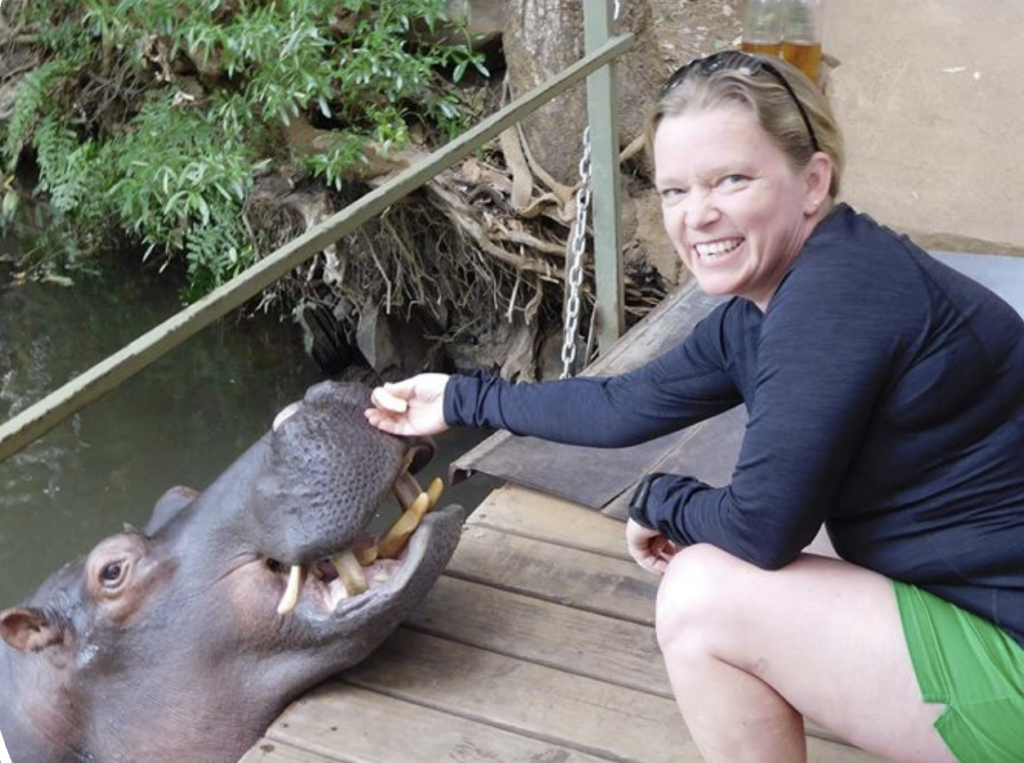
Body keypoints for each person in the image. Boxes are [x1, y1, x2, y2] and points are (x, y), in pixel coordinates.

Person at [364, 51, 1024, 763]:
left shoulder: (833, 301)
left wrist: (664, 500)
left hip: (1010, 657)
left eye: (730, 180)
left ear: (813, 181)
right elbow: (624, 403)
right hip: (977, 590)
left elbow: (762, 528)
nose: (696, 215)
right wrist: (462, 397)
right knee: (789, 540)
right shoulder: (790, 291)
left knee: (702, 593)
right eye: (674, 190)